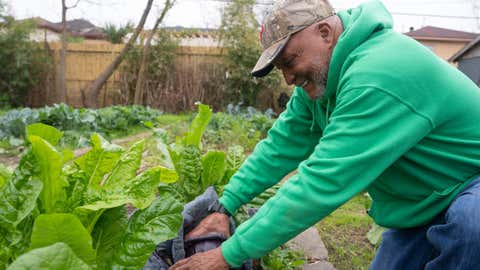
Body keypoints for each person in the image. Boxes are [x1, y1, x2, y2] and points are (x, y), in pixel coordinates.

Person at [171, 0, 480, 269]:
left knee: (470, 226)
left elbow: (324, 181)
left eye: (290, 61)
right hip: (427, 200)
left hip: (471, 184)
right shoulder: (322, 80)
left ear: (325, 32)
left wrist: (228, 254)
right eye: (280, 68)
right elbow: (282, 144)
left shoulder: (376, 74)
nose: (289, 78)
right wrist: (224, 206)